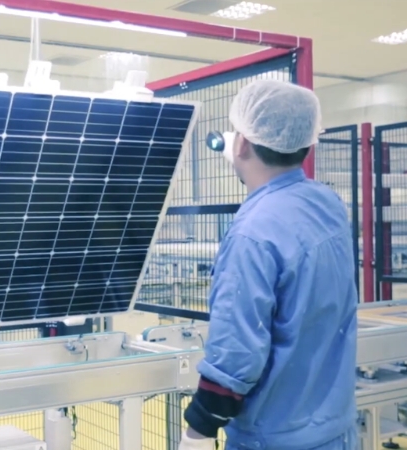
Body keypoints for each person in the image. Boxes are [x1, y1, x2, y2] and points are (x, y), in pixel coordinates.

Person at [177, 79, 359, 450]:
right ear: (308, 143)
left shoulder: (251, 233)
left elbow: (236, 353)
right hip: (335, 429)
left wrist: (198, 432)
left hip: (274, 437)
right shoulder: (327, 204)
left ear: (242, 142)